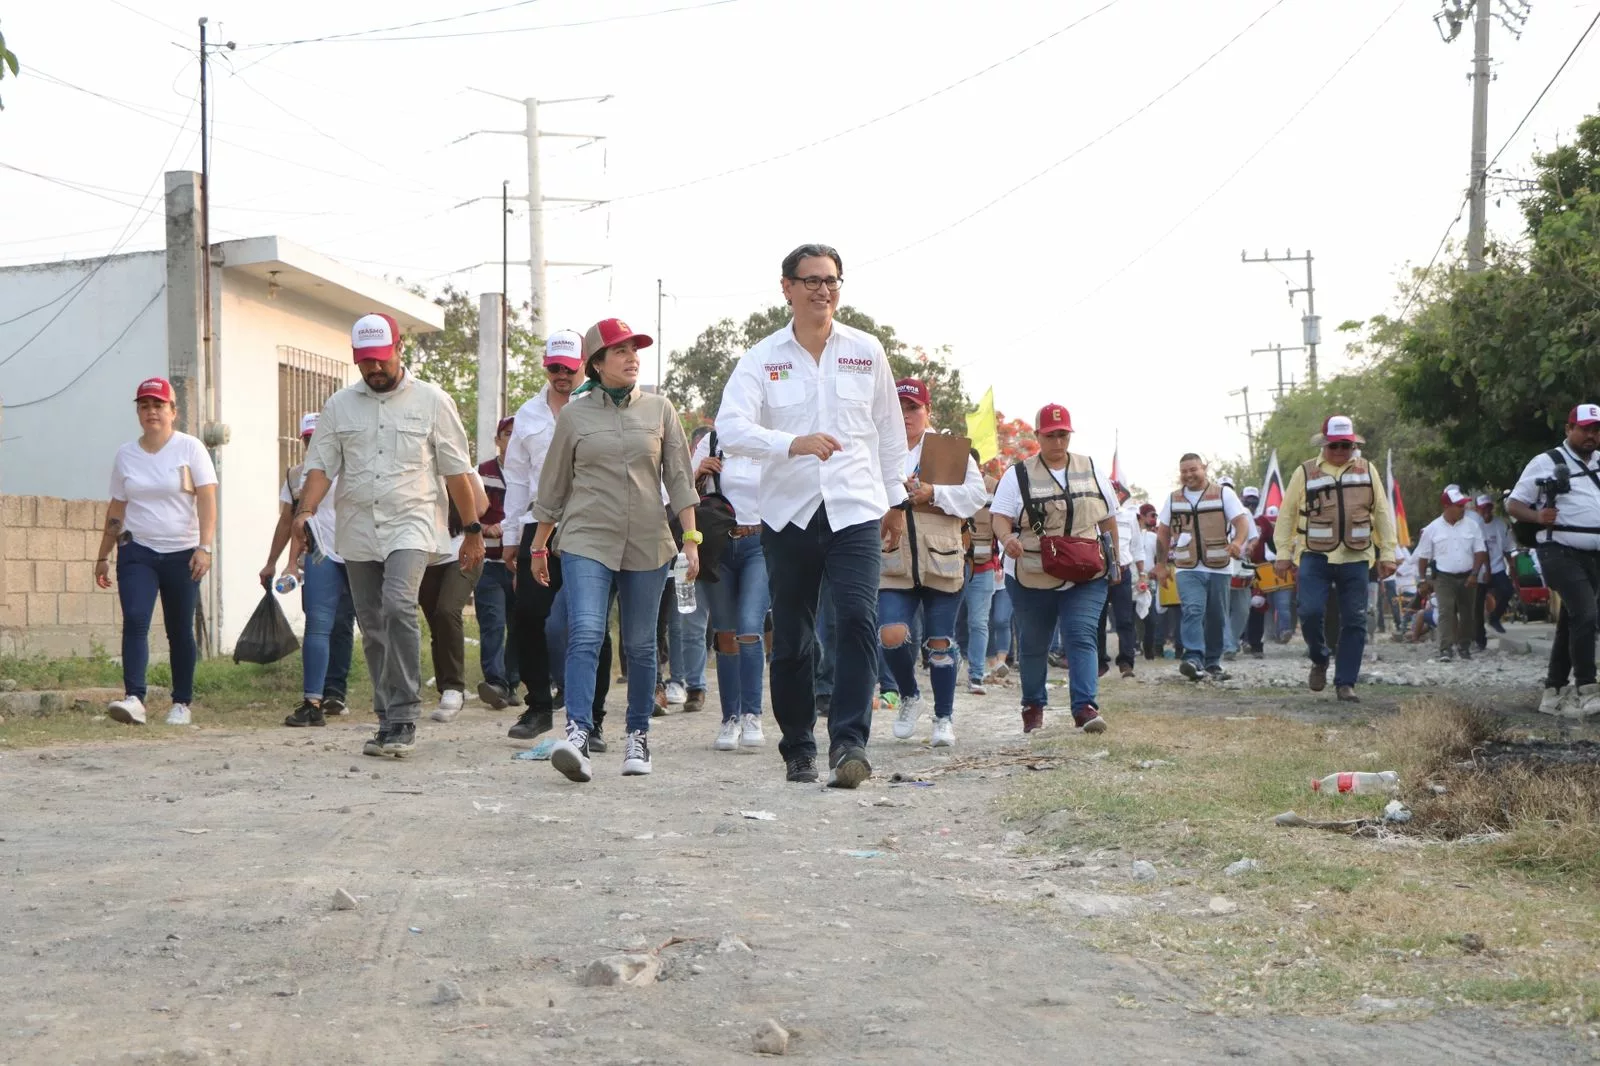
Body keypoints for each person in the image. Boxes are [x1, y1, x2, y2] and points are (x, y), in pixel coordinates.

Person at [716, 242, 909, 789]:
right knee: (796, 637)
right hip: (789, 515)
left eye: (832, 281)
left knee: (856, 620)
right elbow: (730, 428)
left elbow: (890, 432)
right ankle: (798, 746)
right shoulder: (763, 357)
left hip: (855, 509)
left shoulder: (866, 350)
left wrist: (894, 501)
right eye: (812, 280)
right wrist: (791, 442)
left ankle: (849, 742)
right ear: (787, 288)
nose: (823, 290)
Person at [294, 313, 483, 758]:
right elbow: (320, 467)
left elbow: (457, 473)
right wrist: (304, 513)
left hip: (412, 522)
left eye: (380, 360)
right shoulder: (340, 406)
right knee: (373, 624)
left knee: (399, 604)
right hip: (357, 527)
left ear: (400, 350)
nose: (374, 369)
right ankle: (386, 718)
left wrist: (473, 530)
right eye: (365, 362)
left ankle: (404, 714)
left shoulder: (434, 401)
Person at [528, 318, 700, 783]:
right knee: (585, 630)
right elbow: (554, 485)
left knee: (641, 645)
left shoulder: (661, 410)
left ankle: (637, 736)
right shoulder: (574, 416)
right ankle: (579, 734)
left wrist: (691, 537)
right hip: (587, 538)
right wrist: (540, 545)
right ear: (597, 364)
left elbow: (680, 479)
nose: (631, 357)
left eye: (634, 349)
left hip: (648, 540)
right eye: (619, 351)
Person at [501, 330, 614, 743]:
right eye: (554, 368)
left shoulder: (600, 406)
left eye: (569, 368)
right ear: (545, 366)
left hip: (589, 521)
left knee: (592, 623)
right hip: (538, 523)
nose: (562, 376)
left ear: (584, 364)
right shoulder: (528, 414)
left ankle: (594, 718)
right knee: (529, 613)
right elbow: (515, 478)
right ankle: (538, 706)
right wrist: (512, 536)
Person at [96, 376, 217, 727]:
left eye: (158, 406)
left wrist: (204, 548)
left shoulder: (191, 448)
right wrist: (103, 555)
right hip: (138, 551)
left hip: (182, 553)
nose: (152, 412)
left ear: (173, 412)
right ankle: (135, 698)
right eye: (145, 406)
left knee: (179, 629)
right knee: (135, 619)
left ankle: (181, 702)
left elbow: (207, 500)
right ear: (138, 412)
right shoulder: (126, 455)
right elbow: (117, 509)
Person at [990, 403, 1117, 734]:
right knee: (1034, 643)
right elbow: (999, 516)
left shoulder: (1090, 468)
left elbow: (1107, 517)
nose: (1058, 442)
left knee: (1081, 635)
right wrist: (1007, 539)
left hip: (1087, 571)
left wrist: (1114, 560)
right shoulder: (1017, 475)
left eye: (1063, 435)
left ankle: (1085, 708)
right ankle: (1033, 706)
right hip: (1033, 571)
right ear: (1038, 436)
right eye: (1051, 436)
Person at [876, 378, 986, 747]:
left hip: (942, 556)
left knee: (940, 641)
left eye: (913, 409)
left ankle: (943, 717)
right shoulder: (878, 449)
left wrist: (933, 492)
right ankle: (909, 695)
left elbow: (976, 496)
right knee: (890, 633)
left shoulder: (949, 450)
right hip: (894, 556)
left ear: (928, 411)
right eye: (901, 409)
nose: (906, 416)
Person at [1273, 416, 1397, 703]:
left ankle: (1346, 683)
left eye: (1347, 446)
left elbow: (1381, 513)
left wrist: (1387, 553)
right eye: (1335, 446)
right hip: (1314, 555)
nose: (1341, 451)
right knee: (1310, 612)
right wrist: (1283, 553)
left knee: (1355, 619)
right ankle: (1319, 658)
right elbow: (1287, 514)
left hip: (1356, 555)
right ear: (1324, 444)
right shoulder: (1305, 472)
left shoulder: (1368, 470)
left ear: (1353, 445)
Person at [262, 412, 356, 727]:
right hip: (321, 555)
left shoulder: (354, 467)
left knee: (372, 627)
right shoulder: (299, 476)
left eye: (320, 437)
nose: (315, 443)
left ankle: (386, 703)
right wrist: (278, 561)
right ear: (302, 441)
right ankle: (313, 702)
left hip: (360, 553)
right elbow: (292, 522)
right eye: (308, 438)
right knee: (318, 625)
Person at [1506, 404, 1600, 717]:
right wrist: (1537, 516)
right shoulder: (1546, 462)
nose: (1591, 435)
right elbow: (1514, 504)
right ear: (1568, 429)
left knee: (1573, 619)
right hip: (1558, 550)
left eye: (1596, 430)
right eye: (1584, 428)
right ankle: (1587, 688)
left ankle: (1554, 690)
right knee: (1587, 614)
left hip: (1594, 553)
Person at [691, 423, 769, 751]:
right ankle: (729, 718)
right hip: (718, 546)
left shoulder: (770, 440)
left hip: (760, 544)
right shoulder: (711, 441)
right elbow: (678, 495)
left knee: (750, 627)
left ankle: (752, 714)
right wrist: (697, 474)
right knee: (725, 632)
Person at [1154, 454, 1250, 683]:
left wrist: (1237, 543)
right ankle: (1193, 658)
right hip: (1187, 567)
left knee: (1216, 616)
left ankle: (1212, 662)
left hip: (1219, 566)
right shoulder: (1173, 499)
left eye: (1193, 470)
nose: (1188, 475)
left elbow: (1241, 522)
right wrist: (1160, 565)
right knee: (1193, 609)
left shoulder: (1223, 494)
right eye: (1184, 471)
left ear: (1204, 468)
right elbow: (1163, 532)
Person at [421, 471, 489, 722]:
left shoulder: (461, 467)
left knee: (447, 611)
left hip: (461, 551)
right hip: (426, 555)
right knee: (436, 625)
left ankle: (454, 687)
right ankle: (445, 690)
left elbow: (481, 504)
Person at [664, 426, 713, 714]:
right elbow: (669, 500)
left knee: (699, 624)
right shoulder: (684, 467)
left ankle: (695, 684)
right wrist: (696, 474)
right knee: (682, 618)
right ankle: (682, 682)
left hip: (715, 548)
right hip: (681, 550)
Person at [472, 417, 520, 710]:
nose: (512, 440)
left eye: (518, 435)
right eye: (507, 434)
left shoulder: (529, 472)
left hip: (520, 562)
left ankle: (512, 682)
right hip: (489, 561)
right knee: (492, 622)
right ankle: (496, 682)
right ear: (498, 439)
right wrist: (483, 527)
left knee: (519, 624)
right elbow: (468, 508)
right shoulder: (483, 473)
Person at [1413, 485, 1488, 663]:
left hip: (1468, 575)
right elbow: (1423, 557)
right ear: (1447, 506)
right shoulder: (1432, 529)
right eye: (1460, 505)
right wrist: (1423, 580)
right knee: (1446, 612)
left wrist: (1475, 574)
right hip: (1444, 578)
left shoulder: (1472, 526)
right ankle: (1445, 649)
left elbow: (1480, 551)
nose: (1464, 508)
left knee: (1467, 613)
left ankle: (1464, 646)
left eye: (1464, 505)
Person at [963, 462, 1001, 695]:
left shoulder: (995, 489)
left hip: (984, 566)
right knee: (944, 624)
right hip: (950, 566)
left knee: (978, 622)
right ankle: (945, 666)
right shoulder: (946, 485)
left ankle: (976, 675)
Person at [1099, 481, 1143, 678]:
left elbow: (1137, 546)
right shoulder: (1095, 514)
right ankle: (1100, 662)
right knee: (1098, 620)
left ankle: (1126, 662)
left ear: (1120, 495)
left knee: (1125, 619)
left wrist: (1142, 573)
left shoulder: (1130, 516)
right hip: (1099, 572)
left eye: (1116, 492)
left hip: (1123, 572)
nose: (1113, 495)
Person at [1471, 493, 1514, 648]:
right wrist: (1482, 571)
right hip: (1479, 570)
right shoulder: (1474, 526)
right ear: (1477, 509)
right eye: (1483, 509)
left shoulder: (1500, 524)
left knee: (1507, 590)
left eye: (1489, 508)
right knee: (1477, 606)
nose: (1486, 511)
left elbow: (1507, 549)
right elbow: (1481, 551)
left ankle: (1494, 617)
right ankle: (1480, 639)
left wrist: (1512, 567)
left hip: (1497, 568)